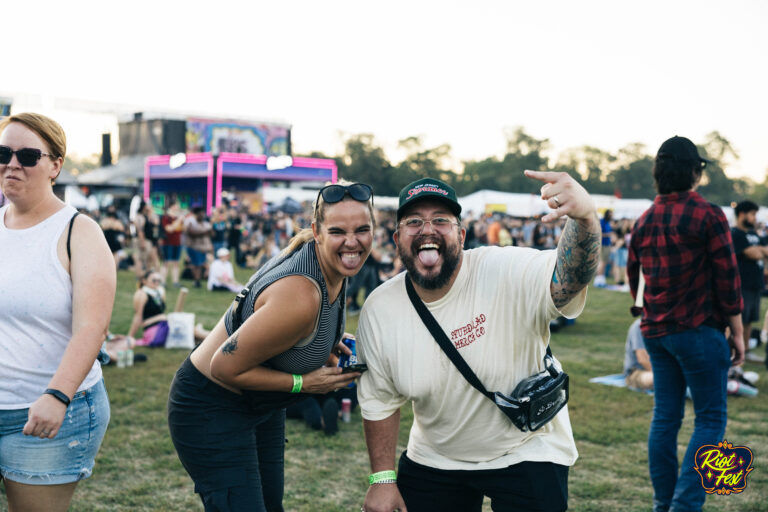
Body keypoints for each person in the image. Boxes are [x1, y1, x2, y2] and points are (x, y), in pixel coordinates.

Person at [358, 175, 600, 512]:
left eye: (441, 220)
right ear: (398, 238)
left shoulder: (503, 269)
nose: (427, 229)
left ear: (461, 234)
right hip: (437, 454)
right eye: (414, 222)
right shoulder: (381, 308)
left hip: (526, 447)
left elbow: (567, 280)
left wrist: (585, 220)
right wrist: (382, 480)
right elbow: (379, 401)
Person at [168, 182, 376, 511]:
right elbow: (222, 367)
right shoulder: (301, 294)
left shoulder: (336, 266)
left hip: (261, 405)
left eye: (362, 229)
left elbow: (290, 336)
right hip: (210, 406)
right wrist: (303, 383)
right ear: (317, 232)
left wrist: (323, 348)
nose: (352, 242)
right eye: (338, 231)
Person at [0, 112, 116, 511]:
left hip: (48, 414)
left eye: (28, 155)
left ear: (55, 166)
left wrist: (56, 396)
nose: (12, 163)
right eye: (4, 152)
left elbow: (92, 328)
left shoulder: (78, 232)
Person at [627, 136, 744, 512]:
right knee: (710, 419)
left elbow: (635, 280)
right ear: (695, 172)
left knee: (666, 417)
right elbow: (728, 278)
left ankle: (665, 504)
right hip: (698, 330)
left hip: (657, 332)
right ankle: (684, 505)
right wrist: (738, 331)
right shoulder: (709, 214)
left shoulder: (644, 220)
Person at [126, 270, 208, 346]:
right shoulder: (141, 294)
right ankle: (216, 340)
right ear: (144, 281)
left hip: (163, 325)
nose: (157, 283)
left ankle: (212, 340)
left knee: (191, 331)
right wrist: (130, 337)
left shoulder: (160, 291)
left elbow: (161, 312)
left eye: (159, 280)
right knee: (191, 330)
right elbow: (139, 319)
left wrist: (163, 318)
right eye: (154, 280)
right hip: (153, 331)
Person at [731, 200, 768, 362]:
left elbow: (764, 251)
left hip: (755, 284)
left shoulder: (753, 234)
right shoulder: (735, 234)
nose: (754, 218)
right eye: (752, 214)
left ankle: (745, 349)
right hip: (742, 284)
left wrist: (759, 250)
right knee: (741, 319)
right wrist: (760, 251)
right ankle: (737, 351)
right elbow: (754, 254)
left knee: (750, 319)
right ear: (742, 214)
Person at [184, 207, 213, 288]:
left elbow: (212, 234)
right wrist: (205, 232)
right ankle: (196, 280)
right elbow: (191, 233)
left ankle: (197, 280)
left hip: (203, 248)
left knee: (200, 264)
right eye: (200, 214)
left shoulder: (205, 224)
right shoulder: (190, 222)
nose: (202, 215)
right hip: (193, 247)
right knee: (196, 264)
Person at [623, 319, 653, 391]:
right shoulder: (639, 326)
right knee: (660, 379)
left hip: (663, 368)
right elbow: (643, 360)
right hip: (637, 372)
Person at [160, 201, 185, 287]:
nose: (177, 208)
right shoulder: (166, 217)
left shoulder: (178, 218)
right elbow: (169, 229)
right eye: (176, 206)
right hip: (168, 243)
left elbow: (182, 229)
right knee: (166, 262)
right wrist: (179, 220)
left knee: (176, 262)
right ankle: (162, 281)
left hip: (177, 243)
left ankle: (175, 281)